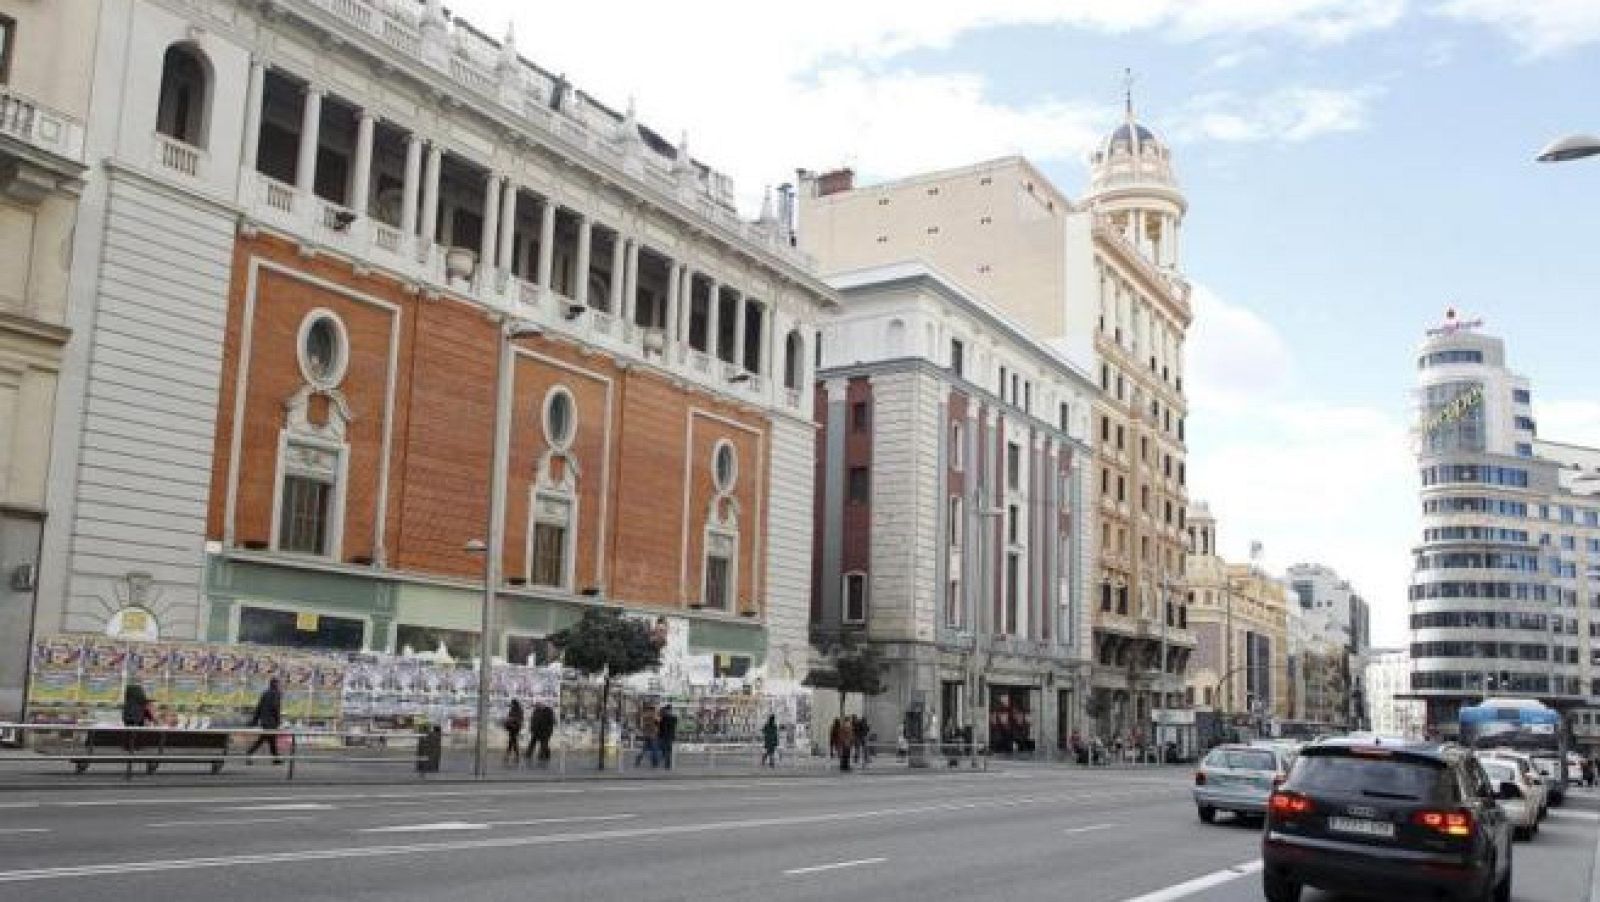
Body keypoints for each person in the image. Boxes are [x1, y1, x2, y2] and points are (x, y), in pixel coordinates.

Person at [244, 677, 284, 765]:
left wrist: (254, 720)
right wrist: (278, 721)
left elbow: (259, 708)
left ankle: (276, 759)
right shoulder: (277, 694)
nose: (280, 685)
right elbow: (276, 708)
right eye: (279, 683)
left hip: (264, 721)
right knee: (266, 739)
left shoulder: (265, 693)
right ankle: (249, 753)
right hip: (272, 722)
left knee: (269, 740)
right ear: (276, 684)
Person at [503, 699, 525, 764]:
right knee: (512, 740)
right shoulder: (512, 709)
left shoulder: (519, 710)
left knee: (512, 740)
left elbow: (520, 719)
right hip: (511, 727)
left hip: (516, 727)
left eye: (512, 703)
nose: (511, 704)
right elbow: (510, 716)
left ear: (514, 704)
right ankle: (514, 754)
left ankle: (511, 753)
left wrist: (512, 719)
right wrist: (508, 720)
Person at [657, 704, 678, 769]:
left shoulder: (665, 718)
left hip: (665, 736)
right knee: (667, 750)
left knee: (666, 750)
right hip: (669, 736)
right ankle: (667, 763)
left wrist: (659, 720)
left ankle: (667, 764)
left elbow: (661, 726)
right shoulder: (672, 718)